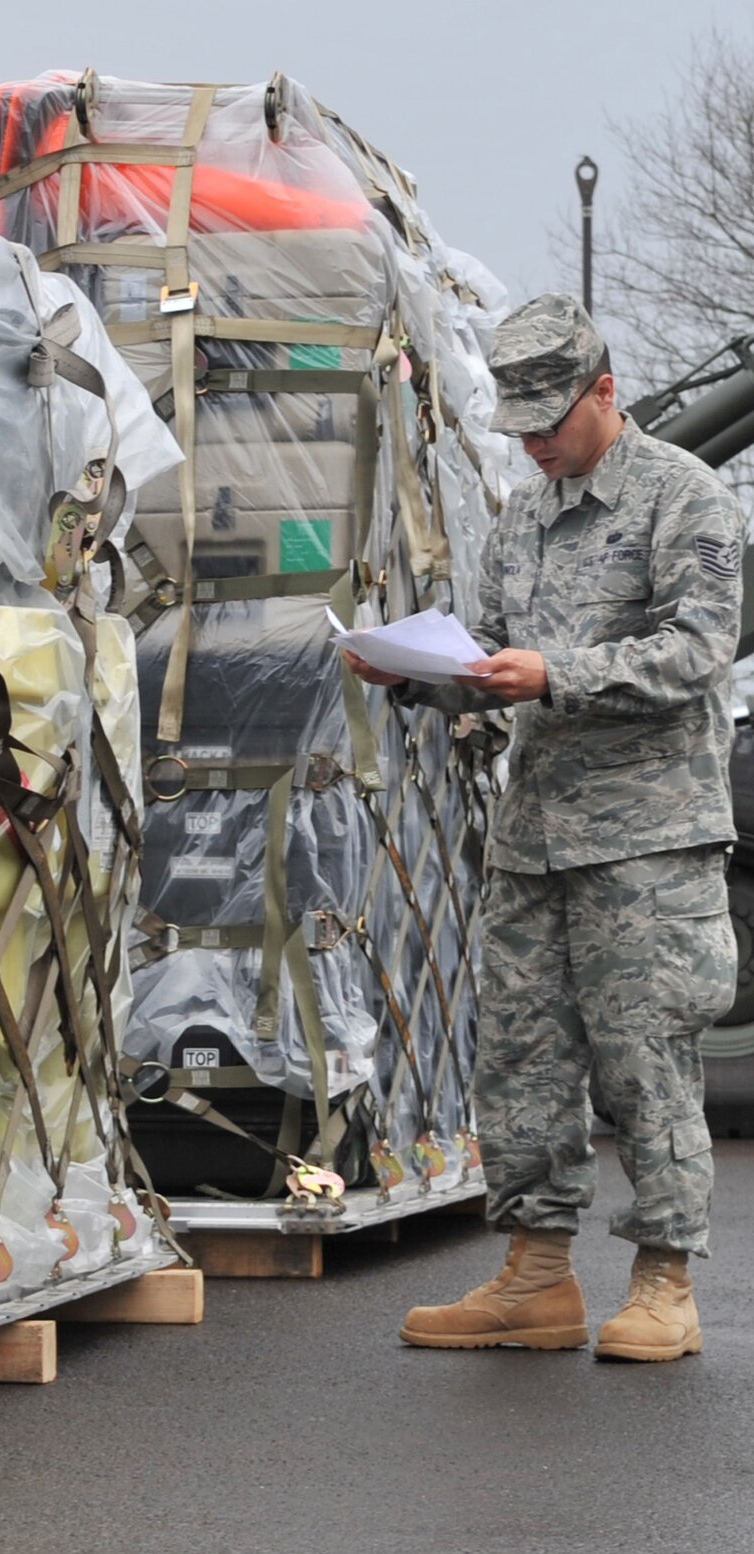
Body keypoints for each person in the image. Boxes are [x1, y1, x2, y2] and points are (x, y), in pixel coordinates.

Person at [345, 293, 747, 1362]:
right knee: (519, 1054)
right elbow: (491, 653)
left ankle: (663, 1281)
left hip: (645, 836)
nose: (530, 442)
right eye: (516, 424)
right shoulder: (523, 512)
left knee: (643, 1059)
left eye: (546, 420)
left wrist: (554, 673)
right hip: (533, 832)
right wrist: (415, 671)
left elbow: (698, 650)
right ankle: (534, 1272)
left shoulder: (684, 499)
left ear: (602, 393)